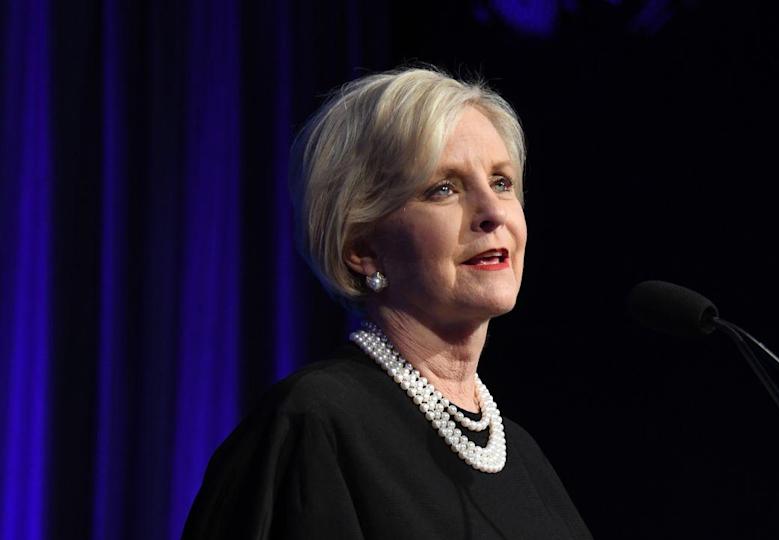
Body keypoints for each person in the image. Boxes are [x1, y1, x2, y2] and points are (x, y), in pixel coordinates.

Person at [182, 67, 592, 539]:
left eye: (501, 182)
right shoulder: (315, 424)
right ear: (361, 248)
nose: (493, 212)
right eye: (444, 189)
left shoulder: (522, 458)